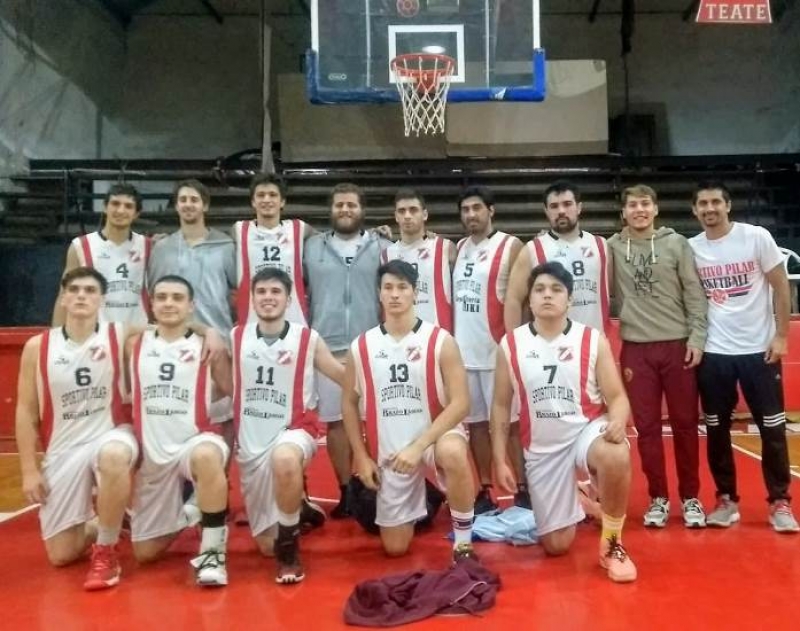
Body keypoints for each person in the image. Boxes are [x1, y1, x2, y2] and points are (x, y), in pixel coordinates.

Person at [491, 261, 637, 583]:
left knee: (615, 454)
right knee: (557, 546)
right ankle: (583, 500)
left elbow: (618, 397)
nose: (547, 296)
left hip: (585, 431)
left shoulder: (591, 339)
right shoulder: (511, 345)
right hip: (543, 447)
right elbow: (501, 406)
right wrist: (500, 459)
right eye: (539, 290)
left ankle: (612, 544)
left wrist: (617, 419)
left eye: (556, 290)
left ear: (569, 300)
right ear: (529, 300)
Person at [342, 260, 476, 562]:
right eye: (388, 287)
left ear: (415, 293)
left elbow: (461, 403)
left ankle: (464, 543)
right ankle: (430, 496)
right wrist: (361, 457)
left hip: (432, 438)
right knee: (395, 548)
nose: (395, 294)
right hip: (389, 449)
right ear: (379, 294)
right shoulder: (361, 346)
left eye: (402, 287)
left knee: (453, 452)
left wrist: (419, 446)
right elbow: (349, 403)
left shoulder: (440, 340)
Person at [16, 266, 139, 590]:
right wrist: (29, 469)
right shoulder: (37, 347)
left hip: (112, 434)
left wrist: (205, 331)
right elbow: (26, 411)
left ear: (101, 299)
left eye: (89, 290)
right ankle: (107, 521)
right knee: (61, 554)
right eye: (75, 290)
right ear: (64, 298)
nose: (82, 295)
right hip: (64, 447)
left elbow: (170, 326)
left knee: (113, 456)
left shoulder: (119, 333)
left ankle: (106, 550)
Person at [689, 181, 799, 533]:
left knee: (773, 429)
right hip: (715, 353)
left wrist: (782, 335)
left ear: (728, 205)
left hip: (759, 350)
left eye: (716, 202)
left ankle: (780, 501)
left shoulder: (756, 237)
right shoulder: (691, 248)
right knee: (717, 430)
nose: (710, 208)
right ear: (694, 211)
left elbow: (781, 285)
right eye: (703, 204)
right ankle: (726, 499)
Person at [232, 267, 346, 583]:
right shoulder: (235, 336)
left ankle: (290, 548)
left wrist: (373, 381)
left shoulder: (307, 339)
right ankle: (301, 507)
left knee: (283, 458)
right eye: (262, 292)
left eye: (275, 292)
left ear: (289, 298)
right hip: (251, 441)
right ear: (252, 298)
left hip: (296, 430)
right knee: (263, 547)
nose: (268, 298)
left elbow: (341, 374)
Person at [608, 184, 708, 529]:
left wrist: (697, 336)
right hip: (636, 348)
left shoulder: (675, 244)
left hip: (677, 344)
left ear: (655, 209)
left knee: (684, 425)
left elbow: (695, 294)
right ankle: (659, 498)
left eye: (645, 204)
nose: (639, 210)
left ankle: (691, 497)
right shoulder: (611, 248)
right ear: (623, 212)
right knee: (647, 428)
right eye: (632, 204)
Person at [127, 275, 234, 586]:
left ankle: (213, 553)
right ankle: (189, 515)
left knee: (207, 455)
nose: (169, 303)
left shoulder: (207, 347)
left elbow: (232, 391)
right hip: (154, 454)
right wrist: (208, 327)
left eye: (177, 297)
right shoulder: (133, 343)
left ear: (192, 306)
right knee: (145, 553)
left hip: (194, 441)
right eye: (162, 297)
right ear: (151, 304)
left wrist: (212, 334)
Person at [303, 183, 392, 518]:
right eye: (339, 204)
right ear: (331, 209)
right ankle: (345, 490)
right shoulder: (311, 247)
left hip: (371, 347)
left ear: (362, 210)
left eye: (351, 205)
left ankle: (376, 483)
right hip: (326, 346)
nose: (345, 210)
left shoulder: (383, 245)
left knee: (374, 421)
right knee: (336, 423)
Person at [452, 185, 523, 512]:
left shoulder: (511, 246)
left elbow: (520, 300)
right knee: (477, 425)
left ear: (490, 211)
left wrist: (517, 345)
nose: (471, 215)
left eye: (477, 208)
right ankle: (484, 488)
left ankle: (523, 488)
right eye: (465, 210)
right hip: (464, 355)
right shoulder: (458, 248)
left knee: (509, 424)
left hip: (497, 353)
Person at [505, 180, 609, 332]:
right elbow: (513, 299)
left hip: (594, 341)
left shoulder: (601, 245)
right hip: (549, 345)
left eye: (567, 204)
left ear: (579, 207)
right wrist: (513, 343)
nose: (561, 211)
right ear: (546, 211)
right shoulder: (533, 249)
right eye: (554, 206)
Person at [53, 183, 150, 327]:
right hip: (96, 335)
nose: (121, 210)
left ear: (136, 214)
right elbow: (64, 295)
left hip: (136, 334)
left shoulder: (148, 246)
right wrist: (57, 336)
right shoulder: (80, 246)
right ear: (105, 207)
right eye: (115, 204)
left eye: (128, 206)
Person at [234, 173, 312, 327]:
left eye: (273, 195)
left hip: (293, 319)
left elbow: (331, 238)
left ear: (282, 201)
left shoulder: (298, 228)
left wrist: (372, 231)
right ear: (253, 202)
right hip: (252, 321)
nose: (267, 200)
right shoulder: (239, 229)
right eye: (261, 195)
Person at [382, 188, 455, 330]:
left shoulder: (445, 248)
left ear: (425, 214)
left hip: (437, 339)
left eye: (413, 210)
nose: (407, 216)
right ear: (396, 216)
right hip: (400, 338)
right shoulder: (386, 254)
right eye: (402, 211)